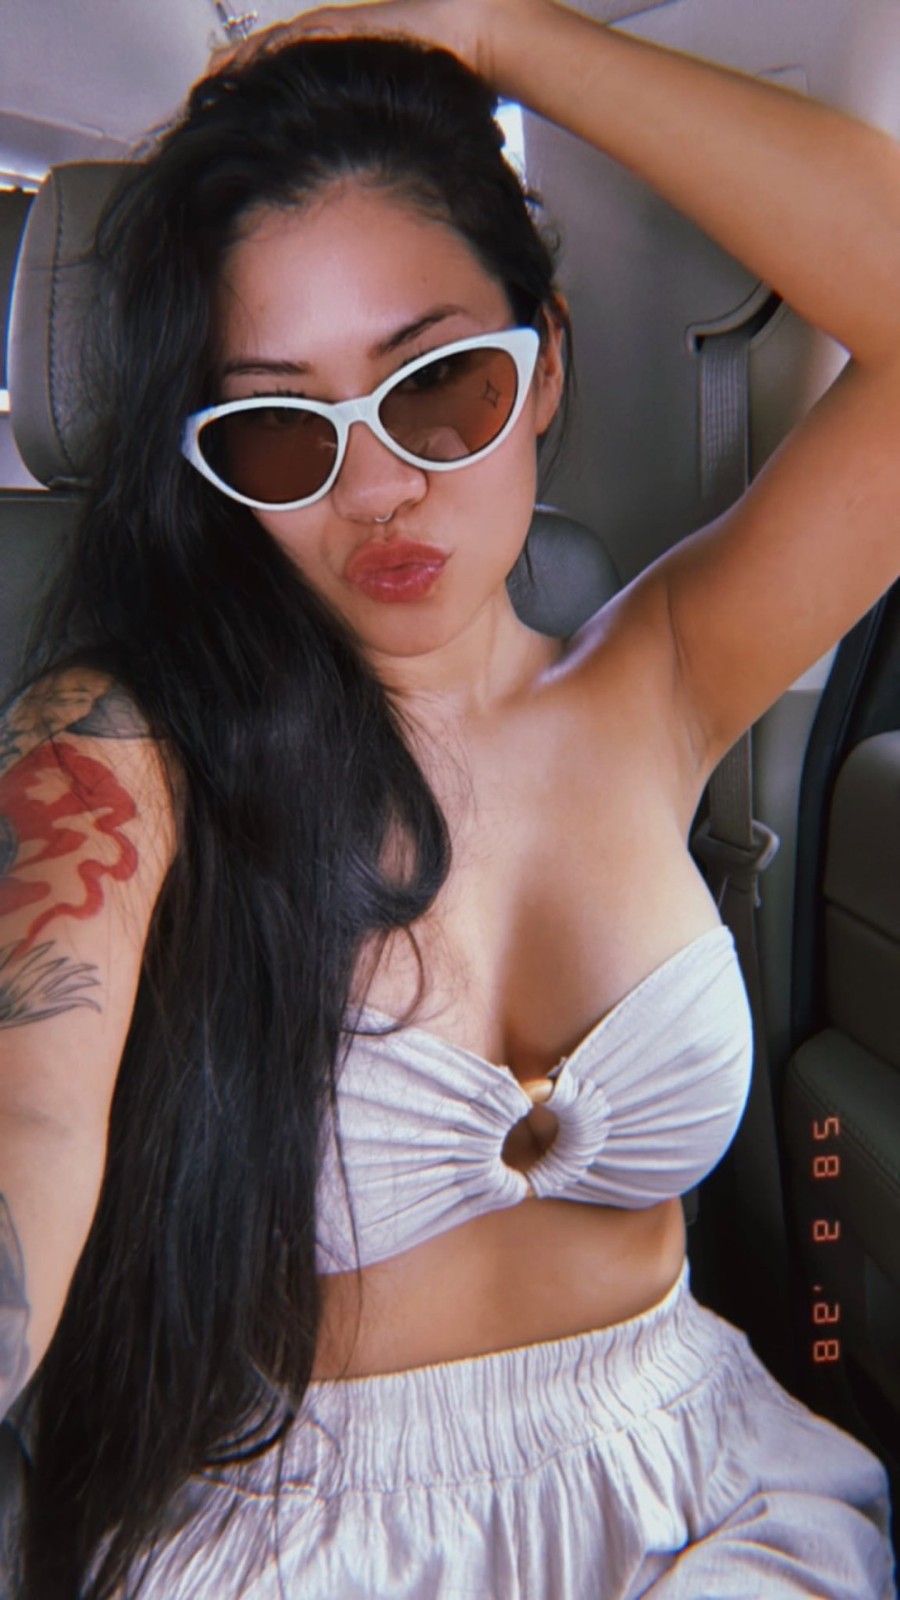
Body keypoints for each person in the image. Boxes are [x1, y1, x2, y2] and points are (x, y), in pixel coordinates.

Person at [0, 0, 897, 1593]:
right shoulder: (123, 742)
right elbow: (30, 1110)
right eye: (279, 429)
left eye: (439, 387)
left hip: (701, 1494)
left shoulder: (664, 677)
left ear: (545, 369)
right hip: (300, 1540)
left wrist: (498, 30)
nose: (376, 488)